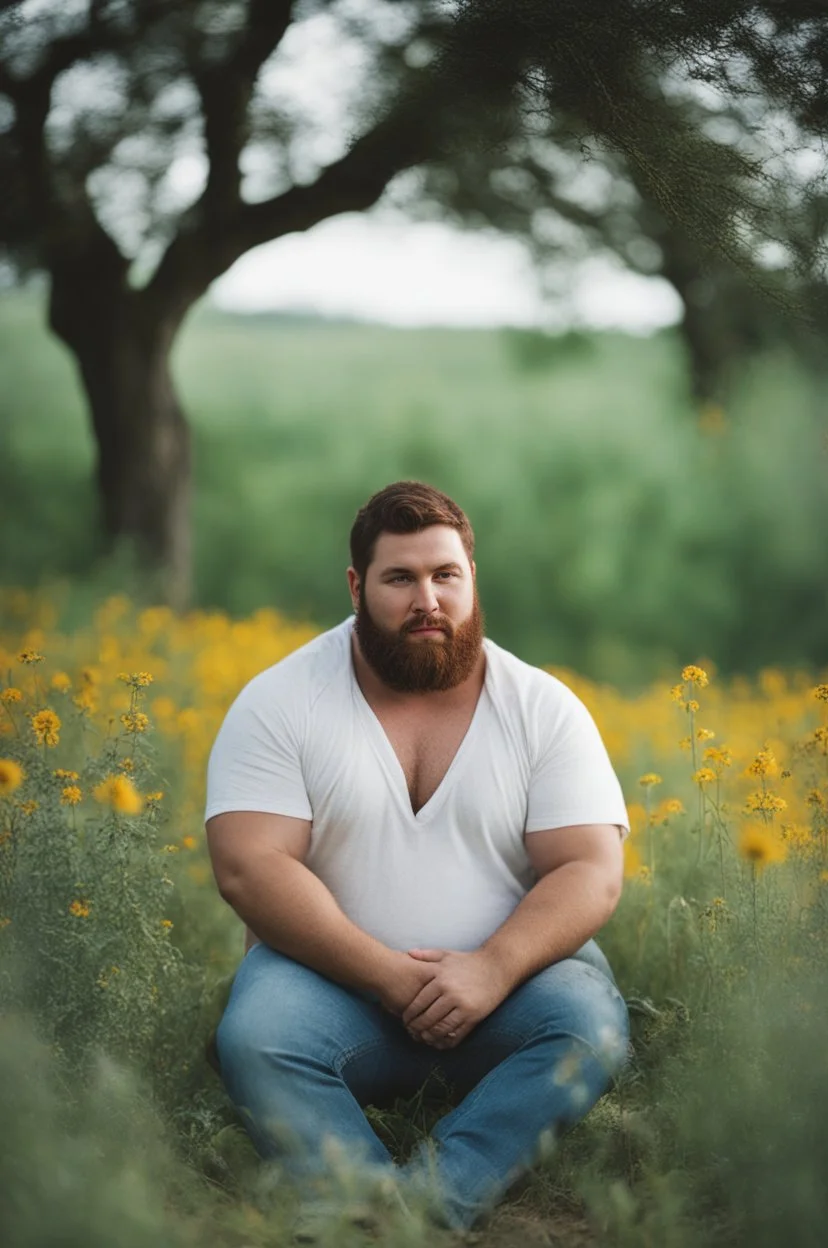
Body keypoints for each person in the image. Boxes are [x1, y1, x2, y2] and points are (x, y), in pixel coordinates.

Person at [204, 480, 631, 1231]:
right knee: (256, 1036)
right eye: (400, 578)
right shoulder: (280, 701)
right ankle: (367, 1204)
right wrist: (388, 977)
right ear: (357, 585)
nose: (425, 599)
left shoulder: (544, 709)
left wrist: (493, 967)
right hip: (329, 991)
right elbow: (249, 866)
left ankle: (430, 1207)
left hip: (509, 993)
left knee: (588, 1025)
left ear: (471, 579)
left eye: (445, 576)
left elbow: (590, 871)